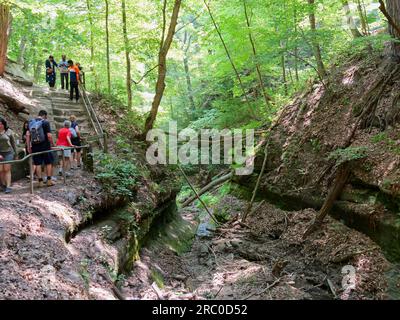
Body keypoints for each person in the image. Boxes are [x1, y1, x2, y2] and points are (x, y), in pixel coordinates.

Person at [26, 110, 55, 187]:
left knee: (37, 164)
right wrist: (52, 144)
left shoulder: (31, 122)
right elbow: (49, 135)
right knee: (48, 163)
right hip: (45, 146)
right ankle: (49, 180)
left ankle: (40, 182)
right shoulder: (45, 122)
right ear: (45, 115)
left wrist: (29, 147)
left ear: (38, 114)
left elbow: (28, 135)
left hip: (35, 146)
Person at [0, 117, 17, 193]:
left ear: (3, 124)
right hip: (0, 153)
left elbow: (13, 143)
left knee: (7, 169)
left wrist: (16, 153)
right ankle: (3, 185)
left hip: (8, 152)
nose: (0, 125)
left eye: (1, 124)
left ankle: (8, 186)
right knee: (1, 170)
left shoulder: (9, 131)